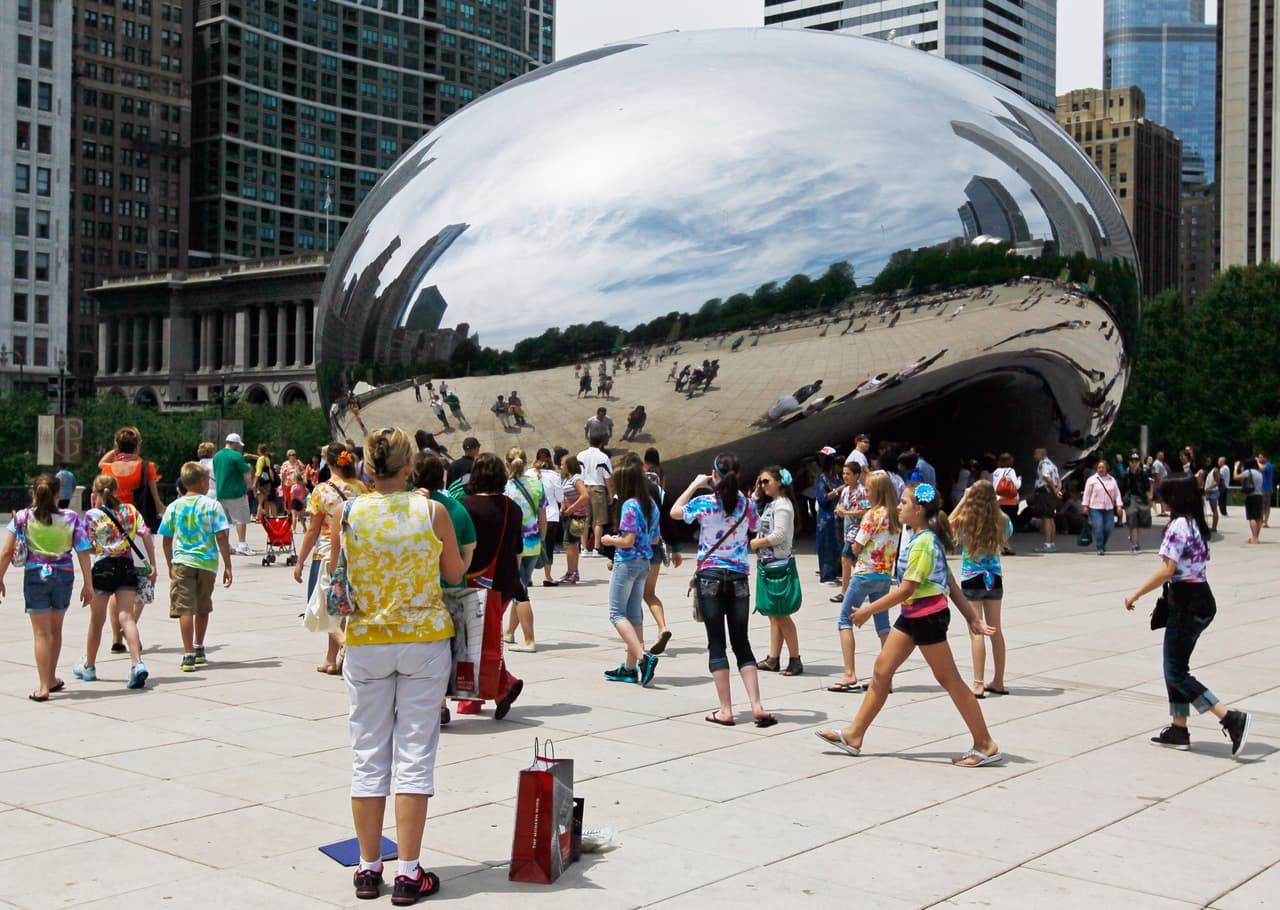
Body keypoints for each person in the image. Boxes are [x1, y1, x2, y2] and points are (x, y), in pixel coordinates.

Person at [328, 428, 464, 904]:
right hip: (423, 639)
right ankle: (408, 871)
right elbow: (453, 574)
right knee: (415, 753)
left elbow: (335, 576)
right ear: (411, 467)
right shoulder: (432, 511)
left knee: (367, 753)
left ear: (367, 467)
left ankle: (368, 868)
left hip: (367, 640)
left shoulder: (346, 512)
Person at [814, 483, 1002, 766]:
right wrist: (972, 618)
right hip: (912, 615)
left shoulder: (925, 542)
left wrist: (868, 610)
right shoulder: (917, 537)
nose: (899, 506)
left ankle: (985, 744)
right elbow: (948, 579)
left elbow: (907, 589)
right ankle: (854, 736)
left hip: (927, 618)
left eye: (904, 502)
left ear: (919, 509)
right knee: (881, 671)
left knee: (949, 679)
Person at [1124, 475, 1251, 757]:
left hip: (1186, 602)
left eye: (1163, 493)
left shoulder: (1178, 526)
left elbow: (1167, 570)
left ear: (1173, 498)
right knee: (1176, 666)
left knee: (1175, 671)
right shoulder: (1195, 523)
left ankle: (1230, 717)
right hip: (1200, 599)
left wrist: (1136, 594)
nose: (1159, 496)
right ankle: (1178, 728)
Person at [670, 453, 776, 728]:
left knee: (717, 644)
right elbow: (755, 527)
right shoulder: (746, 505)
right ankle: (756, 705)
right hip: (739, 576)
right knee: (742, 642)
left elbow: (675, 512)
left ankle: (726, 709)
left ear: (714, 475)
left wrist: (695, 484)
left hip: (710, 577)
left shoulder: (705, 502)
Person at [0, 475, 93, 700]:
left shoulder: (22, 517)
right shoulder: (70, 518)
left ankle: (43, 686)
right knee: (56, 630)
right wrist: (88, 584)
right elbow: (83, 551)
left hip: (34, 575)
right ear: (58, 494)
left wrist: (0, 578)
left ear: (33, 493)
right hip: (63, 575)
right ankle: (51, 677)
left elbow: (5, 552)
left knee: (41, 633)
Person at [457, 453, 526, 719]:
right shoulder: (512, 507)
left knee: (472, 642)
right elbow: (517, 549)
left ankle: (485, 693)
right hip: (504, 581)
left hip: (473, 579)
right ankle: (498, 688)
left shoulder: (465, 506)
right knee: (485, 639)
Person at [294, 442, 368, 675]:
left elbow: (313, 530)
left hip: (327, 552)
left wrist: (299, 561)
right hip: (354, 550)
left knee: (323, 606)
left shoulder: (322, 490)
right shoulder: (362, 488)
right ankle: (330, 658)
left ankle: (347, 645)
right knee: (341, 604)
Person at [77, 475, 157, 689]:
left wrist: (103, 547)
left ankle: (90, 666)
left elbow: (86, 546)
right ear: (116, 489)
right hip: (127, 566)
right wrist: (152, 564)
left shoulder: (92, 515)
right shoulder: (130, 510)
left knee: (97, 620)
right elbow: (146, 535)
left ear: (96, 493)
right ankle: (136, 662)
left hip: (103, 567)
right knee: (126, 617)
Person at [157, 462, 234, 672]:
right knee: (202, 606)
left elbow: (165, 539)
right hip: (207, 563)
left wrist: (169, 563)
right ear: (201, 482)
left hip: (182, 562)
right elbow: (221, 536)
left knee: (185, 609)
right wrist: (228, 565)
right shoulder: (212, 505)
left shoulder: (174, 506)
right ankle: (199, 646)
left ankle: (188, 653)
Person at [830, 471, 900, 692]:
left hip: (864, 572)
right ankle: (886, 676)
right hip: (884, 575)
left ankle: (849, 673)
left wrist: (854, 547)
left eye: (868, 489)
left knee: (844, 620)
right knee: (883, 624)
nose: (866, 493)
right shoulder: (896, 515)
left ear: (876, 491)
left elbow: (857, 545)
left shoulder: (872, 515)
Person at [599, 462, 663, 686]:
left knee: (616, 614)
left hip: (626, 563)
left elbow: (627, 541)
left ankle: (642, 657)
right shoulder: (650, 504)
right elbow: (655, 539)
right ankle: (629, 668)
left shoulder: (629, 505)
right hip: (644, 562)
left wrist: (609, 540)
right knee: (634, 614)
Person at [950, 480, 1012, 699]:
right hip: (994, 577)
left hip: (972, 577)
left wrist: (965, 498)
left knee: (977, 631)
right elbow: (1007, 534)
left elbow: (948, 524)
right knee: (996, 630)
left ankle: (977, 683)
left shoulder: (967, 519)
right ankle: (999, 680)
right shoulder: (1002, 519)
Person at [750, 466, 802, 676]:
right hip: (769, 563)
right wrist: (755, 493)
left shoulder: (782, 506)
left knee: (781, 615)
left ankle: (795, 659)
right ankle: (773, 658)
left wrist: (756, 543)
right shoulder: (773, 503)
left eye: (766, 482)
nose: (763, 486)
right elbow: (749, 509)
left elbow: (779, 535)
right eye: (761, 482)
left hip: (778, 564)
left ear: (779, 482)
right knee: (774, 614)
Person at [500, 448, 544, 652]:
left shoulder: (506, 488)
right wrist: (542, 539)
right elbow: (542, 515)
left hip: (515, 545)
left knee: (520, 593)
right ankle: (509, 631)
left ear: (507, 464)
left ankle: (529, 640)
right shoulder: (536, 484)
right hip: (534, 543)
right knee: (521, 586)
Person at [98, 426, 165, 534]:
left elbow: (100, 503)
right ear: (137, 447)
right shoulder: (147, 467)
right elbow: (156, 501)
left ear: (117, 447)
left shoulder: (107, 469)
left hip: (114, 525)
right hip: (138, 525)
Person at [832, 461, 869, 604]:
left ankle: (844, 591)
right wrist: (840, 510)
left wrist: (846, 512)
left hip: (858, 530)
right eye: (843, 473)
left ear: (857, 475)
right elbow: (840, 505)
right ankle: (865, 586)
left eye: (848, 473)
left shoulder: (862, 490)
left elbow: (865, 510)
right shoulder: (846, 490)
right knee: (855, 561)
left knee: (845, 558)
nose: (845, 476)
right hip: (847, 530)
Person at [213, 433, 254, 555]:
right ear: (234, 443)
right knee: (240, 519)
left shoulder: (217, 456)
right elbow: (247, 476)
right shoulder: (236, 456)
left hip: (220, 492)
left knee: (224, 521)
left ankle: (225, 545)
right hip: (236, 492)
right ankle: (242, 545)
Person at [577, 431, 613, 553]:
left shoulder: (580, 455)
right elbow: (607, 476)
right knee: (598, 520)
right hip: (598, 489)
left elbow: (576, 474)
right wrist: (610, 493)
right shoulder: (603, 457)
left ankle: (583, 547)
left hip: (583, 488)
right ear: (601, 443)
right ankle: (596, 548)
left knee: (584, 519)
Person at [556, 454, 588, 585]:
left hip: (576, 516)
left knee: (569, 543)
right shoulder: (566, 479)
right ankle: (573, 572)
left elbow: (585, 496)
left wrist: (572, 508)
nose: (560, 466)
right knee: (572, 544)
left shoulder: (576, 479)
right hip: (568, 515)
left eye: (563, 464)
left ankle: (572, 572)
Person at [1082, 458, 1124, 555]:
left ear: (1106, 468)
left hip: (1109, 508)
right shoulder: (1091, 480)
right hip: (1095, 508)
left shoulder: (1112, 479)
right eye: (1099, 467)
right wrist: (1085, 505)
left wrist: (1119, 506)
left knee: (1109, 528)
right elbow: (1087, 493)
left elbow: (1117, 493)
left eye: (1102, 467)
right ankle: (1099, 547)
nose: (1100, 469)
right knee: (1099, 526)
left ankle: (1103, 543)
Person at [534, 448, 563, 587]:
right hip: (550, 515)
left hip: (532, 516)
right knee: (548, 546)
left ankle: (527, 577)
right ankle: (547, 576)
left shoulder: (529, 473)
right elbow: (559, 497)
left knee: (530, 546)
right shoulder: (554, 475)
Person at [815, 448, 842, 584]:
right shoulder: (823, 478)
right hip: (825, 518)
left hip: (837, 519)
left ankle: (836, 572)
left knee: (836, 546)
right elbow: (822, 498)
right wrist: (838, 490)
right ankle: (826, 575)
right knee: (826, 546)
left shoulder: (838, 479)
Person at [1119, 452, 1153, 552]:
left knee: (1138, 523)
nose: (1134, 463)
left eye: (1136, 461)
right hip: (1130, 498)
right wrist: (1120, 502)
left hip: (1141, 498)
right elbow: (1122, 488)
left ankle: (1135, 539)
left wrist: (1149, 497)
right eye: (1132, 461)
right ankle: (1134, 544)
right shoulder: (1125, 474)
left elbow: (1147, 486)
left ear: (1139, 462)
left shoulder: (1143, 473)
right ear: (1129, 462)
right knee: (1132, 519)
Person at [1030, 447, 1061, 553]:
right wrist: (1057, 490)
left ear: (1042, 454)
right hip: (1051, 494)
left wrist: (1054, 489)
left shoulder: (1044, 464)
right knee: (1051, 517)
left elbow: (1047, 477)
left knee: (1046, 518)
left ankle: (1047, 543)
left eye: (1036, 454)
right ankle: (1051, 543)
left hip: (1045, 492)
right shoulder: (1053, 465)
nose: (1034, 456)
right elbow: (1058, 479)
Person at [991, 453, 1021, 551]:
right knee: (1008, 525)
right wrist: (1019, 480)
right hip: (1009, 501)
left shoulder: (995, 472)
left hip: (997, 501)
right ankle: (1005, 545)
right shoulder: (1011, 471)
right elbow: (1016, 486)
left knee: (999, 523)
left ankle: (1000, 545)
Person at [1234, 457, 1265, 545]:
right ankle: (1256, 537)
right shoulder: (1259, 473)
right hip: (1260, 496)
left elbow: (1235, 477)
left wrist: (1236, 467)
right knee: (1258, 517)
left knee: (1252, 517)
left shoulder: (1248, 472)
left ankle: (1254, 539)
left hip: (1251, 496)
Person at [254, 443, 278, 519]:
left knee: (260, 502)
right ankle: (266, 515)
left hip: (261, 482)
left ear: (259, 450)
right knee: (265, 500)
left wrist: (255, 483)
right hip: (268, 483)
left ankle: (258, 517)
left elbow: (258, 472)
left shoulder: (260, 459)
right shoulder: (267, 458)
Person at [1203, 456, 1222, 533]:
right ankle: (1213, 526)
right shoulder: (1210, 471)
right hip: (1210, 491)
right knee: (1212, 509)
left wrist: (1208, 488)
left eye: (1209, 461)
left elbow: (1217, 482)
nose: (1207, 463)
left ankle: (1214, 527)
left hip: (1213, 491)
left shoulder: (1215, 470)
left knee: (1214, 510)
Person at [1258, 452, 1273, 528]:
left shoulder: (1268, 465)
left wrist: (1257, 462)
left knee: (1266, 506)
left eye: (1261, 457)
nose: (1259, 459)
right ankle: (1261, 521)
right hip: (1260, 488)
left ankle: (1265, 522)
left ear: (1265, 458)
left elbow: (1263, 468)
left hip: (1266, 488)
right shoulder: (1261, 465)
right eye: (1259, 457)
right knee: (1260, 506)